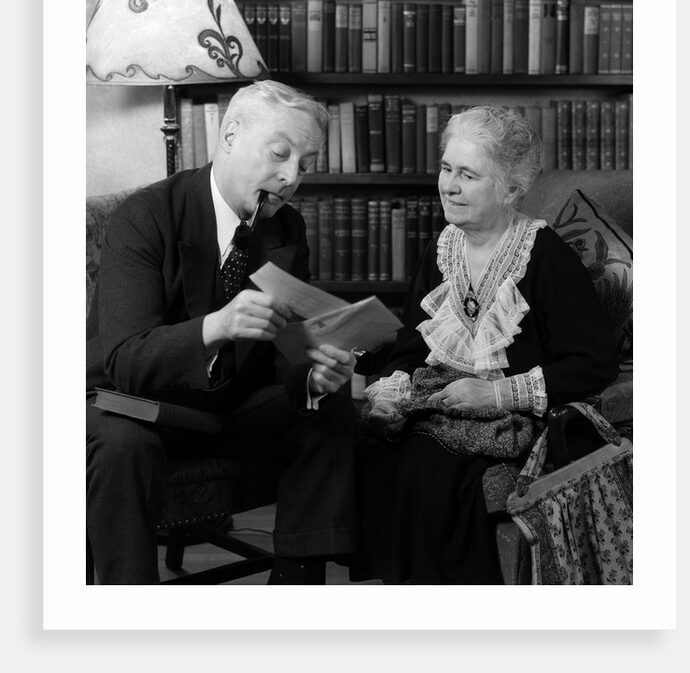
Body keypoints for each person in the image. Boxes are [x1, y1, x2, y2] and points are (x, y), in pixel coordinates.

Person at [86, 80, 358, 585]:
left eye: (307, 163)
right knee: (124, 445)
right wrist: (218, 325)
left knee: (329, 407)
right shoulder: (145, 217)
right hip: (127, 401)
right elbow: (125, 359)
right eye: (280, 153)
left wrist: (314, 372)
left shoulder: (286, 229)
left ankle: (297, 587)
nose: (292, 176)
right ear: (230, 135)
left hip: (224, 403)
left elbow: (287, 342)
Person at [352, 105, 619, 585]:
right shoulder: (442, 249)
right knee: (375, 446)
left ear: (511, 189)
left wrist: (493, 394)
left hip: (520, 416)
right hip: (442, 404)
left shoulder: (546, 258)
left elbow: (591, 365)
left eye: (468, 175)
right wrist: (392, 393)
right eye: (447, 168)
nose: (448, 186)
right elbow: (416, 346)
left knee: (429, 466)